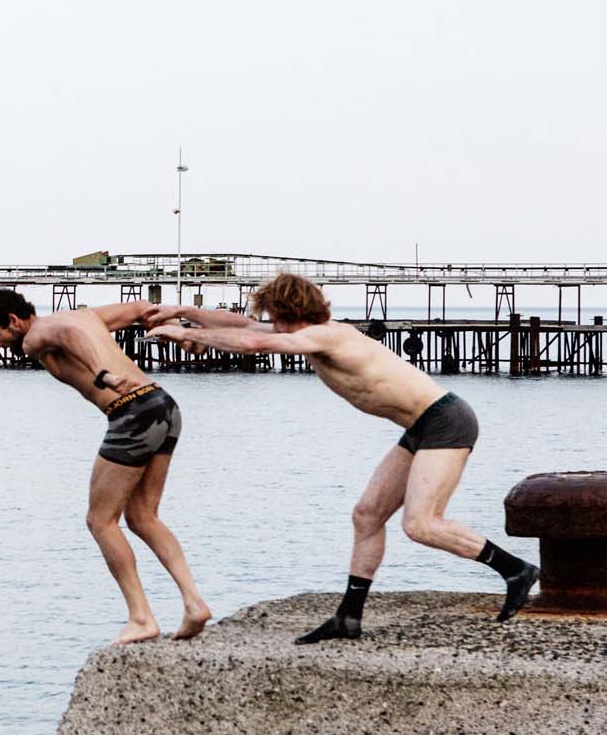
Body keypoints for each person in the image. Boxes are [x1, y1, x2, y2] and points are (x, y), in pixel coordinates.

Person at [146, 273, 538, 642]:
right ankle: (348, 617)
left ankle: (516, 570)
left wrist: (185, 332)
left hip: (445, 421)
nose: (270, 324)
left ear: (289, 313)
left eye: (274, 316)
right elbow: (245, 326)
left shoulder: (327, 336)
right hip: (423, 425)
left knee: (421, 524)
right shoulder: (308, 333)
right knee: (367, 515)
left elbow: (253, 343)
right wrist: (184, 312)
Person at [0, 288, 234, 645]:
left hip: (131, 412)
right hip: (162, 405)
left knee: (100, 521)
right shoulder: (85, 315)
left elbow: (70, 336)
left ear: (14, 321)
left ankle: (141, 617)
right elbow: (142, 308)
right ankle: (194, 603)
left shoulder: (34, 337)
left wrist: (101, 372)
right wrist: (182, 333)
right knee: (143, 517)